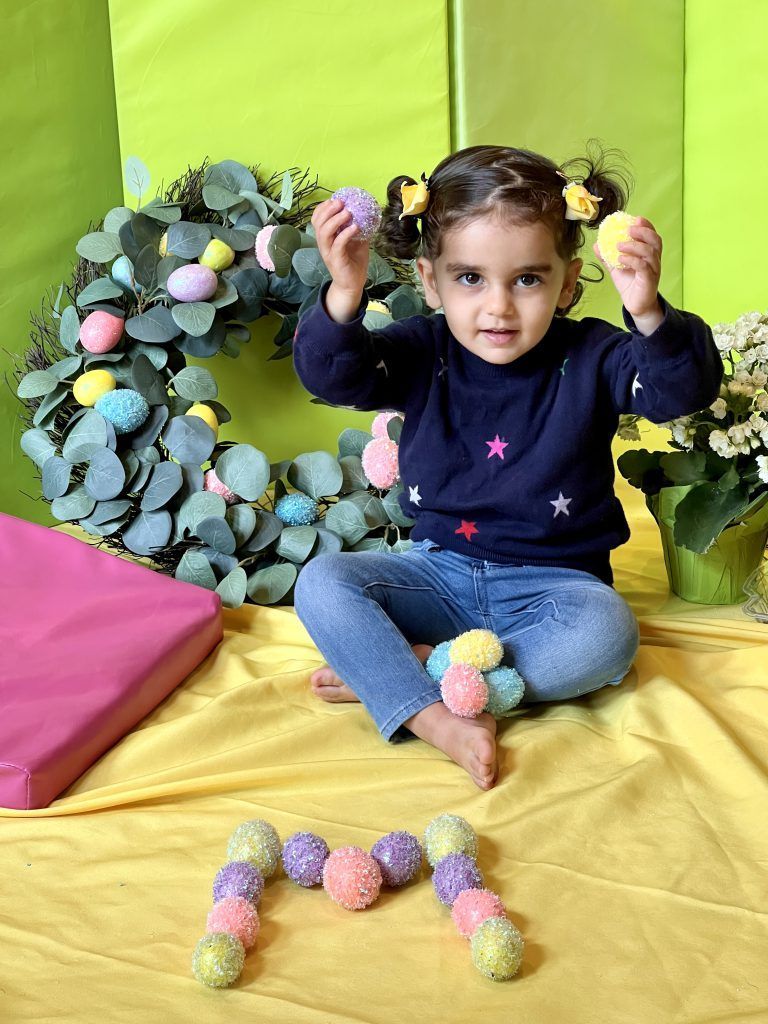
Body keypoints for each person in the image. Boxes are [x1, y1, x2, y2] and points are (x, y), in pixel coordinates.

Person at [291, 140, 723, 790]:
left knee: (610, 635)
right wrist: (344, 293)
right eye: (471, 278)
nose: (498, 306)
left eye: (527, 278)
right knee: (323, 582)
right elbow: (334, 377)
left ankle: (419, 674)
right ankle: (435, 715)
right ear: (431, 281)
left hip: (555, 594)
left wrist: (648, 310)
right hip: (433, 577)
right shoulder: (420, 350)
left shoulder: (597, 354)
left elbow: (680, 394)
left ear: (568, 281)